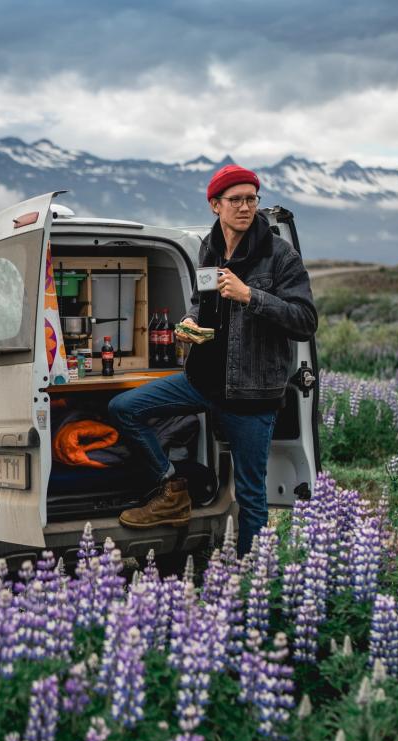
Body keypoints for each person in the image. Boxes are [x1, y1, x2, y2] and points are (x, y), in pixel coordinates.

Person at [108, 164, 318, 557]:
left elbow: (305, 321)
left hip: (251, 394)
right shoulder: (210, 247)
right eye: (235, 200)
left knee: (250, 494)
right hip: (202, 381)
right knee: (125, 408)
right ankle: (172, 488)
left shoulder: (279, 255)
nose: (245, 207)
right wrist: (190, 321)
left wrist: (250, 296)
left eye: (251, 199)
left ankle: (251, 576)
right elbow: (201, 300)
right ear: (215, 205)